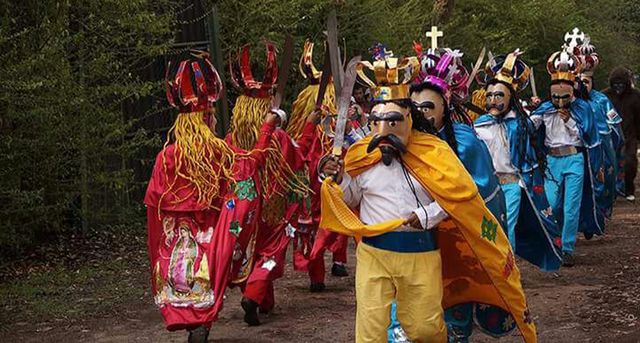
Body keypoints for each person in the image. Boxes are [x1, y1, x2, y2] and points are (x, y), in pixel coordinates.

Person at [319, 49, 536, 342]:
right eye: (377, 121)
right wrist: (337, 178)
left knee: (425, 328)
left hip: (420, 252)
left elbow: (457, 198)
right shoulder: (361, 155)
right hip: (373, 253)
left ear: (409, 118)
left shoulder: (434, 152)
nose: (384, 131)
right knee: (370, 329)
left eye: (393, 121)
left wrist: (424, 216)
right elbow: (351, 198)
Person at [144, 51, 281, 342]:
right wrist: (267, 128)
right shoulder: (217, 153)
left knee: (182, 274)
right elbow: (249, 166)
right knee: (206, 274)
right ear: (206, 117)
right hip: (207, 233)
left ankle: (194, 323)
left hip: (174, 236)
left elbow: (153, 204)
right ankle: (201, 324)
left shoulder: (165, 156)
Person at [227, 42, 309, 326]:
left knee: (248, 249)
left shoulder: (231, 141)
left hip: (242, 207)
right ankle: (253, 296)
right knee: (270, 251)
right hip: (273, 206)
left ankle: (264, 300)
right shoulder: (279, 138)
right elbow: (299, 164)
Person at [474, 50, 562, 271]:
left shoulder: (520, 124)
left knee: (507, 228)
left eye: (499, 96)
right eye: (490, 96)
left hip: (513, 184)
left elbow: (533, 146)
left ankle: (508, 271)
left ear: (510, 98)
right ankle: (492, 270)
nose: (493, 101)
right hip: (489, 187)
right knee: (489, 229)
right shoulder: (479, 125)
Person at [285, 39, 350, 292]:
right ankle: (333, 263)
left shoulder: (314, 131)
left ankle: (322, 272)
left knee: (317, 220)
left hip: (315, 173)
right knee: (327, 214)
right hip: (315, 174)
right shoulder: (309, 133)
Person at [530, 47, 600, 266]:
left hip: (574, 159)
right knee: (551, 203)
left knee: (571, 206)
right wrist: (532, 115)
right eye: (555, 97)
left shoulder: (582, 108)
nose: (559, 101)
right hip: (552, 161)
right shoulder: (545, 109)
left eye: (564, 96)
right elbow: (530, 127)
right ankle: (554, 240)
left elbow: (588, 134)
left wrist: (569, 119)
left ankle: (567, 247)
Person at [572, 34, 621, 219]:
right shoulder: (572, 102)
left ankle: (600, 212)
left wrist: (608, 140)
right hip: (579, 147)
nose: (583, 85)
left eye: (586, 81)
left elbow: (615, 126)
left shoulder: (602, 100)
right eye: (579, 82)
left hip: (601, 146)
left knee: (603, 180)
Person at [603, 66, 640, 201]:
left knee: (630, 162)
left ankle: (628, 189)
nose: (619, 88)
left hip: (630, 135)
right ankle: (612, 190)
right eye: (616, 85)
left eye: (622, 85)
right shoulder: (605, 96)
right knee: (610, 164)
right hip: (610, 135)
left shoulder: (636, 95)